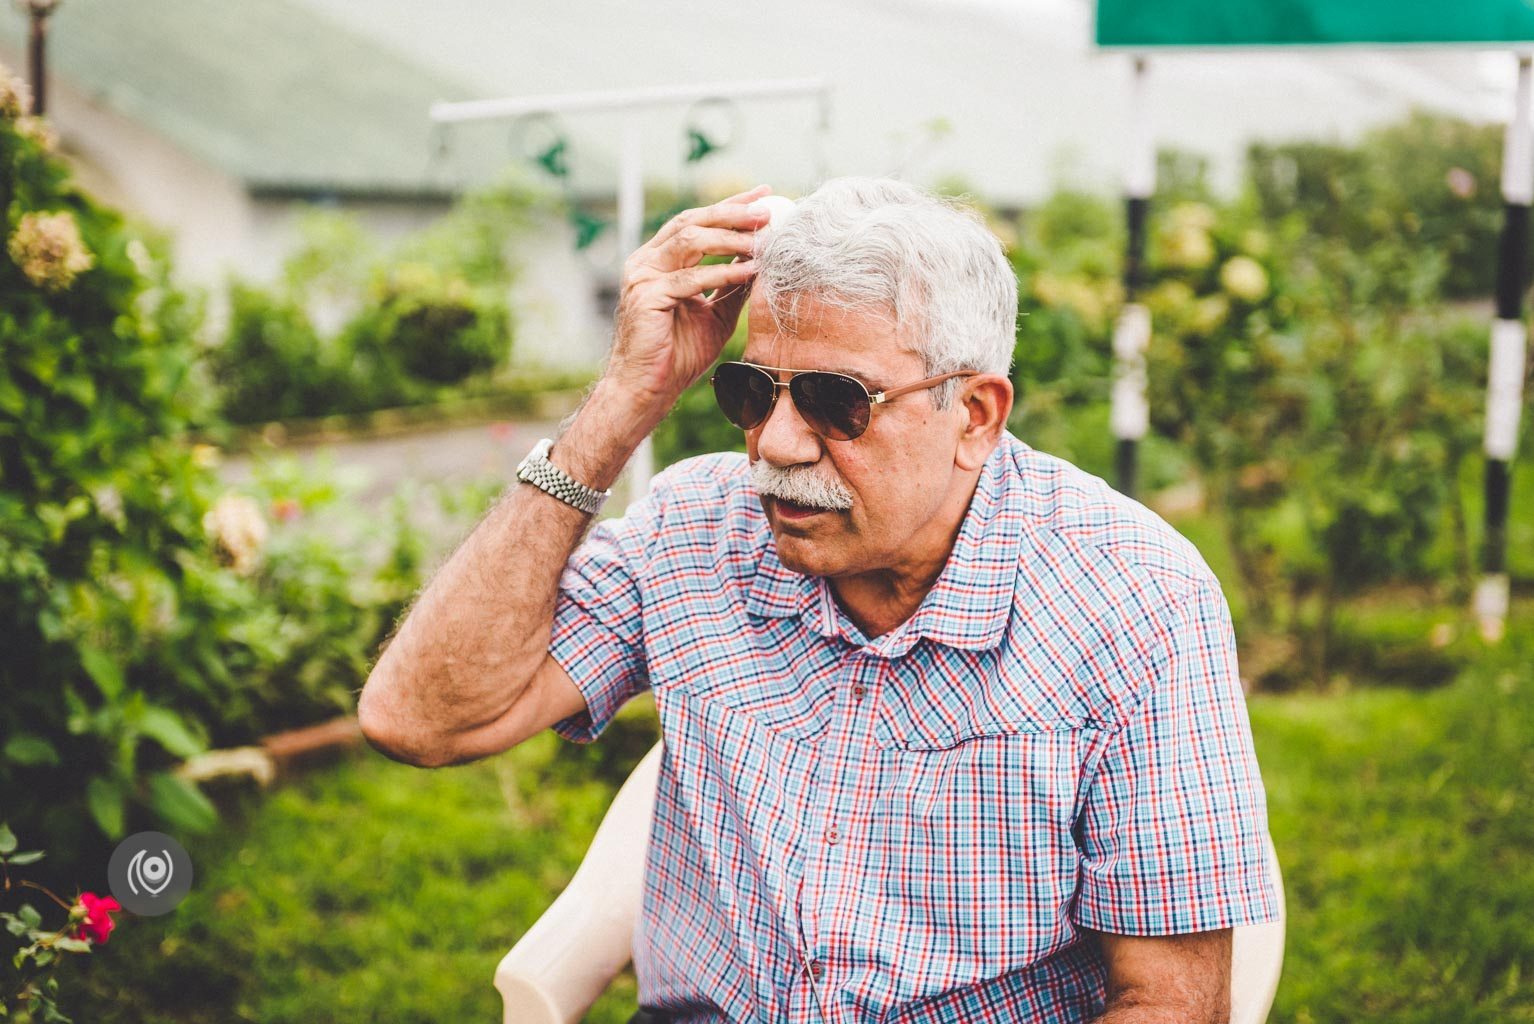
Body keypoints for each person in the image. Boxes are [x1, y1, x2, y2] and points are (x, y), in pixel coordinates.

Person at [357, 177, 1279, 1023]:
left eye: (840, 402)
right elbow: (418, 719)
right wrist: (621, 404)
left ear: (974, 415)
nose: (780, 445)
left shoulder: (1131, 595)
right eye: (751, 391)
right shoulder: (697, 525)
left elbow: (1171, 999)